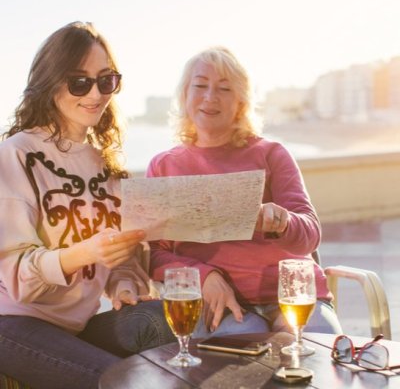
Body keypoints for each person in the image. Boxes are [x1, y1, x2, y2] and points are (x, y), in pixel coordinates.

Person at [0, 21, 174, 389]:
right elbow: (16, 276)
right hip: (12, 323)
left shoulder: (104, 163)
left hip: (76, 325)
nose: (95, 94)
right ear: (49, 83)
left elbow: (117, 261)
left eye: (106, 80)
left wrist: (123, 285)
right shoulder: (14, 155)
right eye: (79, 82)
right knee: (129, 380)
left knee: (168, 321)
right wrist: (85, 252)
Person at [147, 46, 343, 339]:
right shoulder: (164, 166)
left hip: (294, 295)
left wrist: (282, 221)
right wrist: (204, 276)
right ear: (185, 95)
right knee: (238, 363)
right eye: (200, 86)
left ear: (240, 101)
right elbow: (153, 253)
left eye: (224, 89)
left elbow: (310, 235)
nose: (210, 97)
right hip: (220, 302)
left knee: (315, 357)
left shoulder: (271, 154)